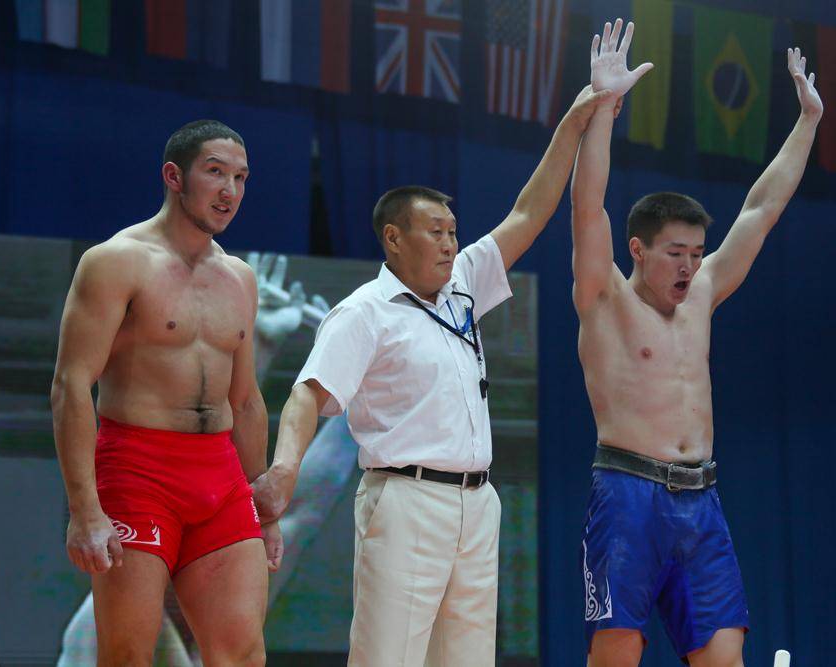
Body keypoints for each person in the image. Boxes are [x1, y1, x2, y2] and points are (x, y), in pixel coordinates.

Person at [248, 35, 639, 664]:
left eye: (454, 232)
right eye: (436, 232)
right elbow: (306, 394)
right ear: (393, 239)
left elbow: (529, 212)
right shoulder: (364, 312)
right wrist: (285, 469)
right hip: (405, 500)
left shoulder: (464, 284)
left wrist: (580, 113)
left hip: (478, 503)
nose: (451, 244)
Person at [571, 19, 822, 667]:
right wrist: (603, 110)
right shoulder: (605, 298)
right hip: (627, 496)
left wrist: (808, 122)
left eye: (696, 252)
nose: (689, 266)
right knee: (616, 657)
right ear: (637, 250)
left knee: (724, 659)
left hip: (701, 500)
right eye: (674, 253)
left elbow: (761, 209)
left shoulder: (703, 292)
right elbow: (588, 206)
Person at [50, 120, 274, 666]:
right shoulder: (115, 262)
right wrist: (84, 510)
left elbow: (245, 400)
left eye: (241, 178)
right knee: (128, 654)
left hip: (220, 479)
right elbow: (71, 386)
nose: (230, 191)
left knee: (242, 655)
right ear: (174, 176)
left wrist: (263, 508)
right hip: (138, 471)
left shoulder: (240, 278)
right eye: (215, 172)